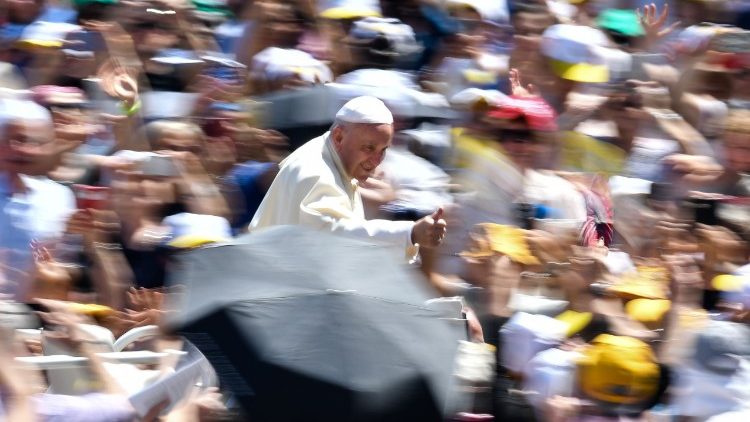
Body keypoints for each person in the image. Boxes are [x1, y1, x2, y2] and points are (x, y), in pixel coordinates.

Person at [249, 96, 447, 255]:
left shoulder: (329, 155)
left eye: (383, 150)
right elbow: (334, 235)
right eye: (369, 148)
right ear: (339, 137)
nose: (377, 161)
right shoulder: (316, 171)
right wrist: (409, 233)